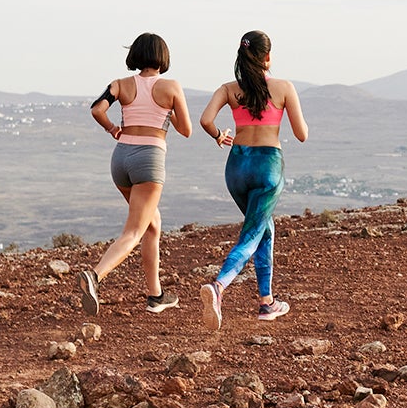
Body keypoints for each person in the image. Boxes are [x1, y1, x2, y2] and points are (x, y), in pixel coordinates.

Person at [195, 30, 308, 328]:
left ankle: (266, 302)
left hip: (237, 167)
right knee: (252, 234)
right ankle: (218, 287)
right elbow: (301, 134)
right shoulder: (283, 87)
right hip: (267, 166)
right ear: (267, 57)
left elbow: (205, 120)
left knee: (264, 229)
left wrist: (220, 135)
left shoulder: (229, 89)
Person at [78, 32, 192, 316]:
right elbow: (186, 130)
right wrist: (166, 110)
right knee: (133, 231)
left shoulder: (120, 85)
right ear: (162, 57)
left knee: (152, 224)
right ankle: (95, 276)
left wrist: (112, 129)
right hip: (149, 160)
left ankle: (156, 295)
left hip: (121, 159)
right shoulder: (171, 86)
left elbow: (97, 109)